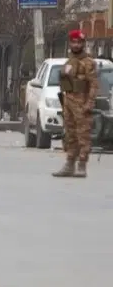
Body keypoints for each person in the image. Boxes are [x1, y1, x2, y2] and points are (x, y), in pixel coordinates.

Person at [55, 29, 98, 178]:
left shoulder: (88, 63)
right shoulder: (69, 62)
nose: (76, 44)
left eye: (79, 42)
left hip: (82, 104)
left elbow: (93, 85)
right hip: (68, 103)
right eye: (74, 41)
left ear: (83, 44)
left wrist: (89, 103)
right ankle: (69, 163)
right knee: (70, 135)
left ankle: (82, 164)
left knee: (83, 135)